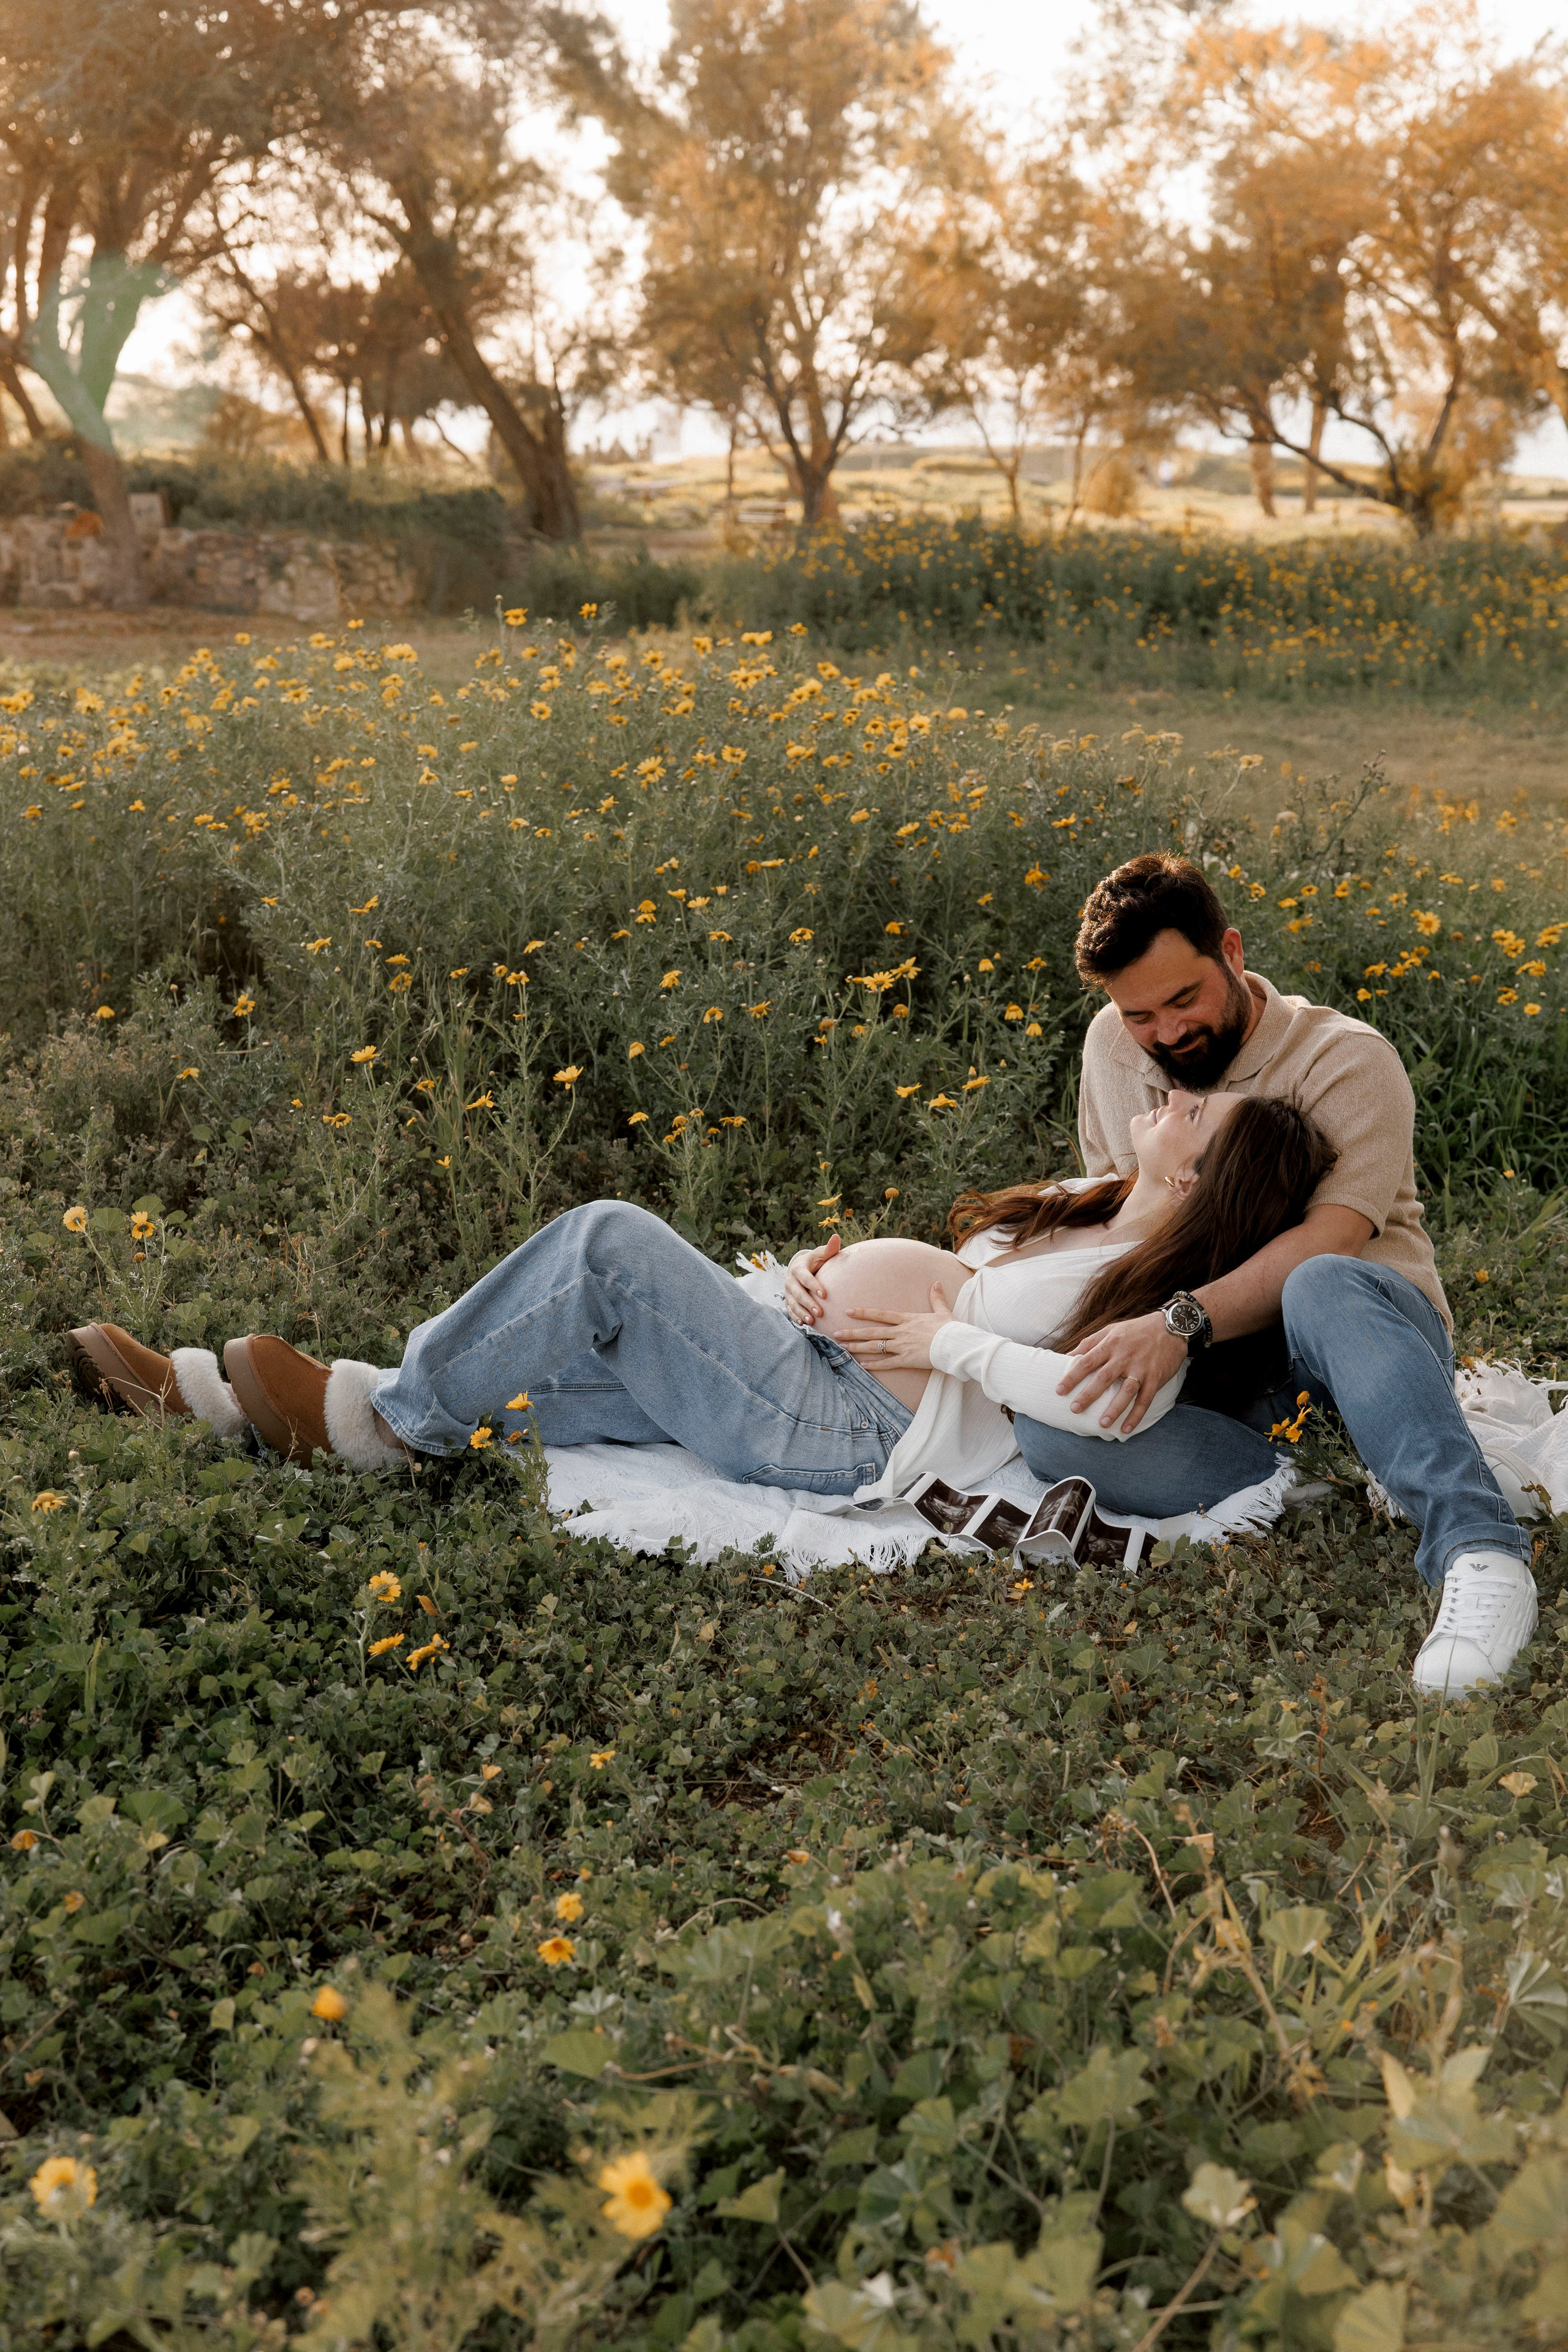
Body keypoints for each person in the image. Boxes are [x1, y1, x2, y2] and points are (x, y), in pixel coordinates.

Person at [69, 1089, 1327, 1524]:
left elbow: (1076, 1406)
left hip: (843, 1432)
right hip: (802, 1361)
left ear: (1215, 1177)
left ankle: (380, 1427)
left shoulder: (1162, 1298)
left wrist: (938, 1336)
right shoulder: (1094, 1199)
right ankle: (205, 1400)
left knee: (606, 1248)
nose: (1171, 1098)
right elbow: (944, 1278)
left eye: (1198, 1113)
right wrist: (804, 1288)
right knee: (539, 1362)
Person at [1005, 850, 1535, 1699]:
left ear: (1234, 953)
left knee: (1318, 1280)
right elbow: (1122, 1219)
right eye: (1141, 1013)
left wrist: (1175, 1322)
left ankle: (1480, 1551)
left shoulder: (1345, 1059)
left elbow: (1329, 1241)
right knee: (1053, 1426)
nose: (1167, 1034)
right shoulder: (1112, 1047)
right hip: (1220, 1370)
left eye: (1185, 999)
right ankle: (1301, 1481)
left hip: (1357, 1331)